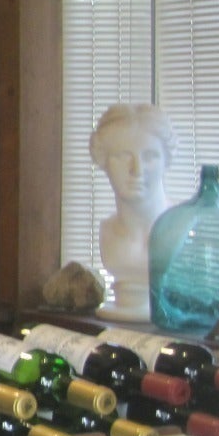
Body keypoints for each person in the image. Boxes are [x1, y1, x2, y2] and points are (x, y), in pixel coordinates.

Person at [89, 103, 177, 319]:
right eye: (122, 156)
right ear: (103, 161)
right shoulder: (107, 233)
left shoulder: (183, 233)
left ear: (166, 160)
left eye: (150, 156)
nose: (137, 170)